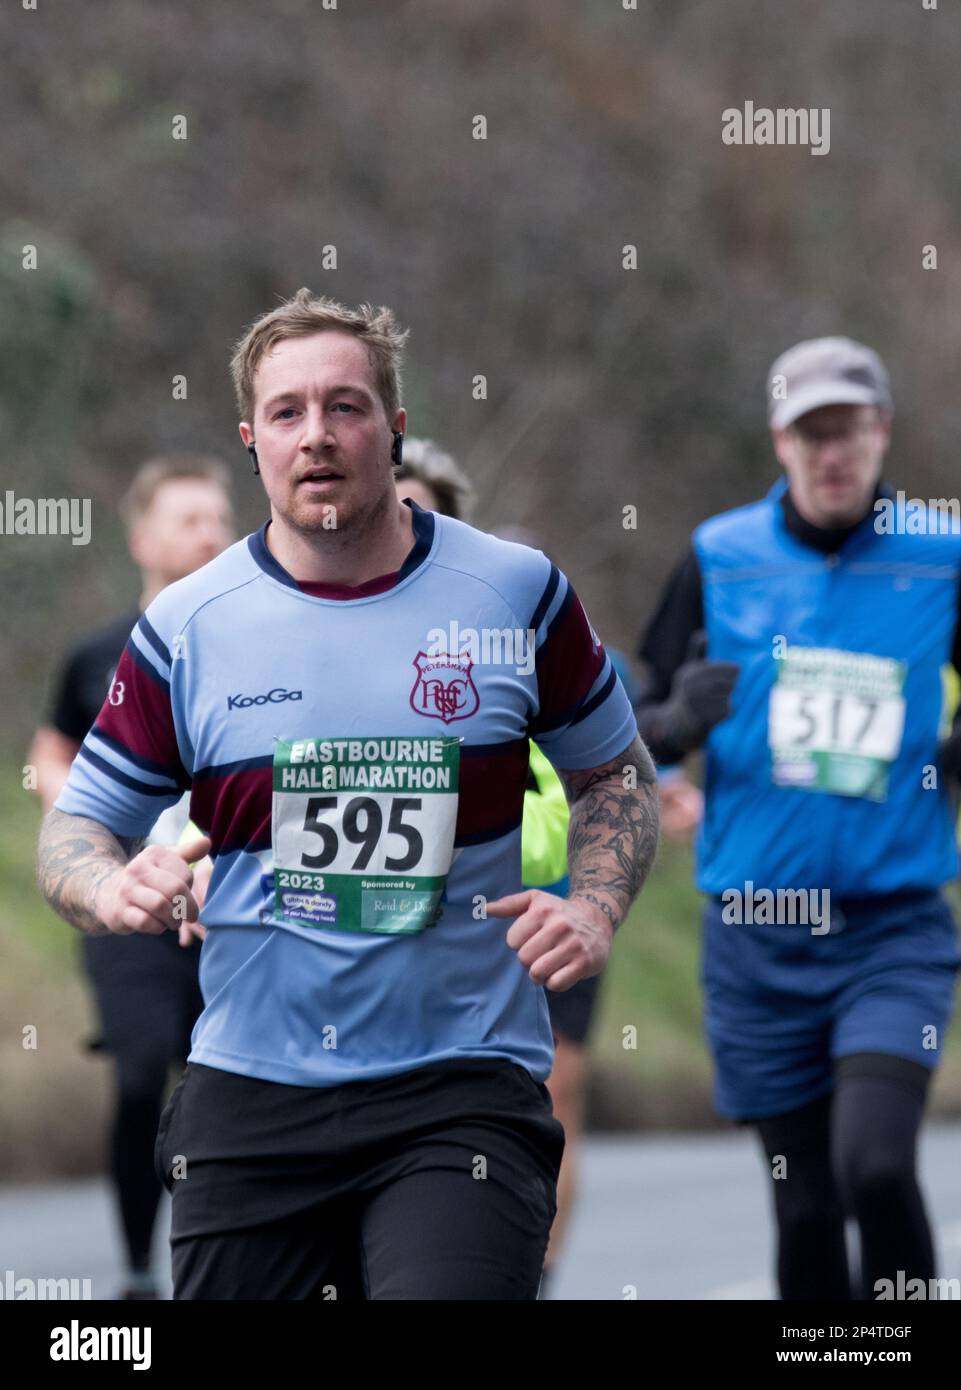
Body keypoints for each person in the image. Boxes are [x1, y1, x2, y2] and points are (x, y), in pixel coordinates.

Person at [39, 288, 660, 1301]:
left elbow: (616, 775)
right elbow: (75, 828)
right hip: (252, 1093)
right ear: (251, 439)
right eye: (286, 412)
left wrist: (593, 906)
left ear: (395, 426)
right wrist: (111, 890)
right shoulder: (189, 628)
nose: (316, 435)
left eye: (345, 407)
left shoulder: (514, 592)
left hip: (460, 1089)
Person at [634, 336, 961, 1300]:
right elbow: (625, 719)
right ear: (778, 440)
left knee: (874, 1165)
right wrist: (674, 724)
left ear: (880, 434)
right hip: (756, 934)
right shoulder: (717, 555)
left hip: (889, 927)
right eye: (810, 434)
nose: (830, 455)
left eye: (847, 433)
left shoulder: (939, 553)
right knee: (806, 1203)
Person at [26, 455, 234, 1299]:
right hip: (126, 894)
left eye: (219, 517)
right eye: (189, 519)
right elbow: (51, 746)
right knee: (144, 1067)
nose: (210, 533)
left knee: (219, 1078)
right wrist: (72, 815)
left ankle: (215, 1258)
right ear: (143, 539)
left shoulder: (258, 635)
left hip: (233, 898)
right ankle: (139, 1271)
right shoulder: (99, 653)